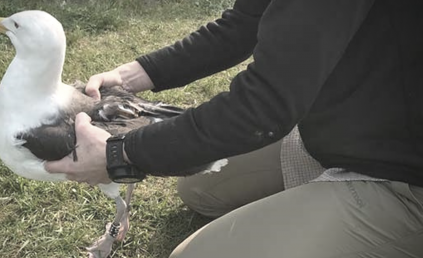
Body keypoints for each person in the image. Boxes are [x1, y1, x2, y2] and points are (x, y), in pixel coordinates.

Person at [45, 0, 423, 257]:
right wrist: (131, 75)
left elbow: (262, 109)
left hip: (402, 173)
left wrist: (120, 155)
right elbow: (243, 24)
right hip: (342, 131)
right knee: (201, 190)